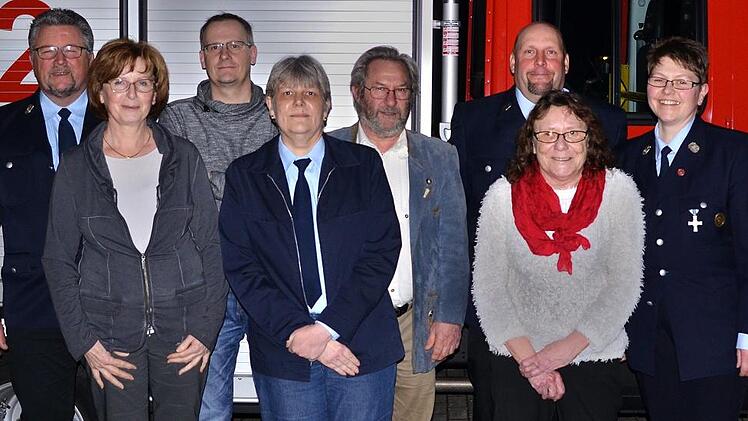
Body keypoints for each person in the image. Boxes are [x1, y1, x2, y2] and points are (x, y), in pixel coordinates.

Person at [448, 21, 628, 420]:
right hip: (504, 329)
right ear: (513, 63)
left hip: (584, 331)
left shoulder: (607, 121)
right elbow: (457, 219)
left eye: (551, 53)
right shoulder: (473, 120)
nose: (540, 62)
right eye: (529, 52)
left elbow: (618, 236)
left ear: (566, 63)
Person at [42, 38, 227, 420]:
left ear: (154, 94)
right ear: (101, 92)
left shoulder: (184, 157)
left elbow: (212, 246)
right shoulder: (76, 168)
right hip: (110, 337)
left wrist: (206, 331)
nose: (131, 93)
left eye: (142, 82)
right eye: (119, 82)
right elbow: (58, 261)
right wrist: (85, 344)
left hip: (183, 332)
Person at [219, 55, 404, 421]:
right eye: (287, 93)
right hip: (285, 351)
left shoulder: (363, 166)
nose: (299, 102)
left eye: (310, 93)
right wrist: (297, 332)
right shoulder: (245, 176)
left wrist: (326, 331)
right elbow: (242, 267)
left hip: (361, 344)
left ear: (327, 106)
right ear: (271, 106)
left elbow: (381, 252)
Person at [472, 90, 643, 420]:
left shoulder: (619, 192)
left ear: (589, 139)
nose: (561, 145)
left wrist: (564, 350)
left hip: (592, 355)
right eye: (548, 134)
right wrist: (534, 364)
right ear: (532, 142)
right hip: (518, 360)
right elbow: (489, 290)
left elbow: (624, 285)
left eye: (573, 133)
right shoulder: (501, 197)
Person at [329, 45, 469, 421]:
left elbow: (453, 246)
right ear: (357, 92)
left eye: (401, 90)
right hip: (349, 320)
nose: (391, 101)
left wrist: (450, 317)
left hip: (413, 322)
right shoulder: (328, 152)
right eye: (380, 89)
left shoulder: (439, 157)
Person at [618, 36, 748, 421]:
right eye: (659, 80)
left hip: (714, 339)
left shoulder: (733, 154)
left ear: (702, 92)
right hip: (650, 336)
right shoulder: (628, 158)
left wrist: (747, 334)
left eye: (682, 82)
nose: (668, 91)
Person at [158, 13, 277, 420]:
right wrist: (252, 181)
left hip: (273, 279)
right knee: (208, 408)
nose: (225, 54)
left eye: (235, 45)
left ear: (253, 53)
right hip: (206, 284)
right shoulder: (176, 119)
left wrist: (209, 181)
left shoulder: (279, 113)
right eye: (214, 47)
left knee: (288, 402)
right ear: (202, 58)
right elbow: (176, 197)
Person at [0, 8, 99, 420]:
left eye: (71, 50)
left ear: (90, 57)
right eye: (47, 51)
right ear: (31, 58)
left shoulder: (124, 124)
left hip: (111, 309)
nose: (60, 60)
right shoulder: (3, 127)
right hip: (32, 308)